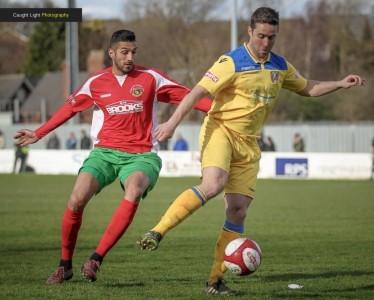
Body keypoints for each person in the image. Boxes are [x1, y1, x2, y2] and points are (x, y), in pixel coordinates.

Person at [137, 7, 365, 295]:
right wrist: (170, 123)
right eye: (260, 36)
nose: (265, 43)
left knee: (238, 210)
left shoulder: (280, 66)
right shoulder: (230, 62)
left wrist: (340, 84)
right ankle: (158, 231)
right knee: (213, 184)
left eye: (271, 37)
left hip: (249, 142)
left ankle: (215, 281)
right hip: (220, 131)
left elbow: (308, 87)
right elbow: (196, 92)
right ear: (249, 32)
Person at [14, 29, 211, 285]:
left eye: (133, 52)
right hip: (104, 152)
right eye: (124, 52)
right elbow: (71, 107)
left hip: (142, 155)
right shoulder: (96, 82)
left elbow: (190, 97)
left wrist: (226, 110)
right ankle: (64, 265)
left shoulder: (151, 78)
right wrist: (39, 133)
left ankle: (96, 259)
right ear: (111, 53)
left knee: (134, 189)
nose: (130, 57)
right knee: (76, 198)